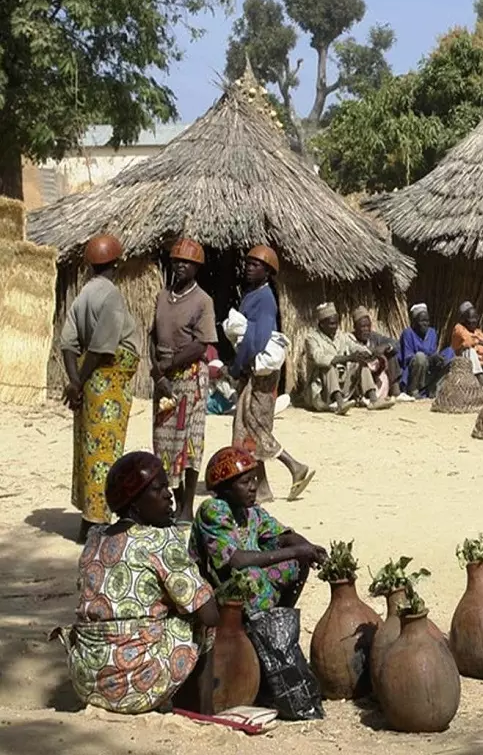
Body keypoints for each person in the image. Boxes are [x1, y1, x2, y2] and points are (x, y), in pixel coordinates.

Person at [58, 451, 218, 715]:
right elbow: (210, 615)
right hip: (133, 688)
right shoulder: (159, 541)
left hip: (86, 681)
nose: (169, 495)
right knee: (202, 619)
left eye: (167, 487)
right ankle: (203, 711)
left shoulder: (95, 538)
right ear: (135, 503)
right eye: (158, 489)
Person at [60, 234, 142, 542]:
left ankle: (87, 518)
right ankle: (95, 524)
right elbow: (101, 348)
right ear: (116, 264)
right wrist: (79, 381)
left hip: (88, 382)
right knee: (105, 450)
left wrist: (74, 382)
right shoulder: (112, 296)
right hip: (107, 382)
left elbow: (68, 344)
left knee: (87, 449)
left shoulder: (82, 295)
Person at [191, 445, 327, 612]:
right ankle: (252, 623)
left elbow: (283, 537)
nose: (253, 487)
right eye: (245, 482)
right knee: (251, 577)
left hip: (247, 582)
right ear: (225, 488)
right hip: (213, 591)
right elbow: (235, 561)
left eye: (254, 479)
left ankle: (279, 617)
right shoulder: (213, 509)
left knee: (298, 563)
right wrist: (296, 551)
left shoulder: (250, 511)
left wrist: (309, 549)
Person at [229, 245, 312, 502]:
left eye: (256, 265)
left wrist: (237, 366)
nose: (249, 268)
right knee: (246, 427)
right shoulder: (252, 295)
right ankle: (263, 489)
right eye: (248, 263)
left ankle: (294, 465)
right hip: (252, 370)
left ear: (267, 272)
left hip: (259, 374)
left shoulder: (264, 298)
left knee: (254, 426)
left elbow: (257, 339)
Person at [151, 238, 216, 516]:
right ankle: (175, 501)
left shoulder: (203, 301)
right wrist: (157, 371)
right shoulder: (162, 297)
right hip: (164, 376)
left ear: (197, 267)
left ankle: (187, 506)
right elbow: (153, 336)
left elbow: (201, 344)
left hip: (190, 377)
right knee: (164, 441)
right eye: (177, 261)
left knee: (188, 441)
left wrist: (169, 364)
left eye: (187, 262)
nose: (180, 266)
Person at [352, 306, 406, 401]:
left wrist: (386, 346)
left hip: (377, 375)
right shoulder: (350, 338)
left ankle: (396, 393)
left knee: (391, 354)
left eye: (368, 326)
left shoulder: (374, 337)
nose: (366, 329)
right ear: (355, 327)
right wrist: (373, 352)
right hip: (360, 377)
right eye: (362, 327)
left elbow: (396, 344)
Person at [398, 303, 450, 399]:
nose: (425, 324)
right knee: (420, 357)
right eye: (422, 321)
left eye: (427, 321)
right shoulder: (408, 333)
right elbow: (407, 358)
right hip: (415, 371)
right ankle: (413, 390)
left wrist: (437, 358)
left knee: (449, 353)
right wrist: (429, 358)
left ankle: (433, 388)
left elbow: (433, 352)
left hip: (429, 370)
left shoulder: (432, 332)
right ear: (414, 322)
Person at [451, 302, 483, 391]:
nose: (473, 323)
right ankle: (481, 381)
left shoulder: (477, 331)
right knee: (469, 350)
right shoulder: (458, 328)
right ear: (464, 320)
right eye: (470, 321)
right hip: (468, 365)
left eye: (475, 320)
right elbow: (470, 341)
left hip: (481, 363)